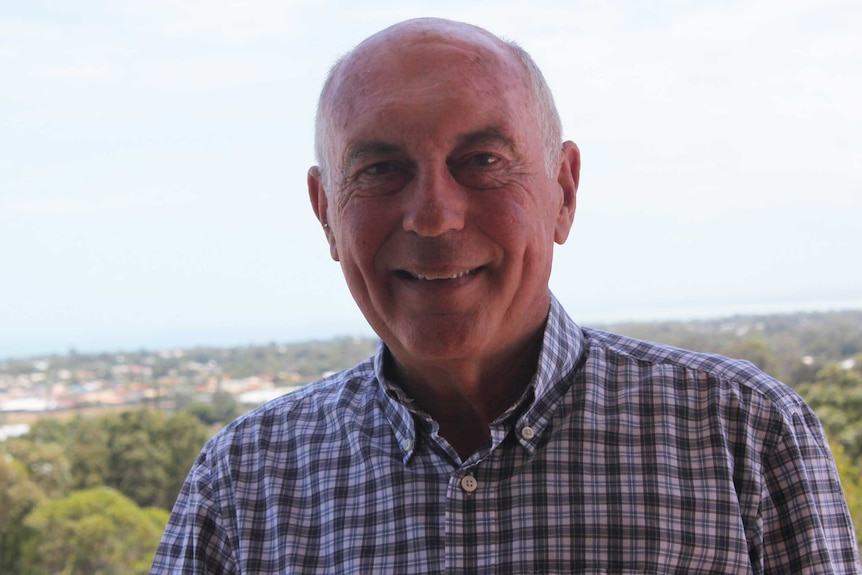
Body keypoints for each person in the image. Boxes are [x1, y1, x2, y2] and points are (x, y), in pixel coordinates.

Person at [151, 17, 861, 574]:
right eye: (381, 168)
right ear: (325, 212)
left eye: (482, 161)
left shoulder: (743, 436)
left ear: (565, 191)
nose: (434, 215)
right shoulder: (244, 484)